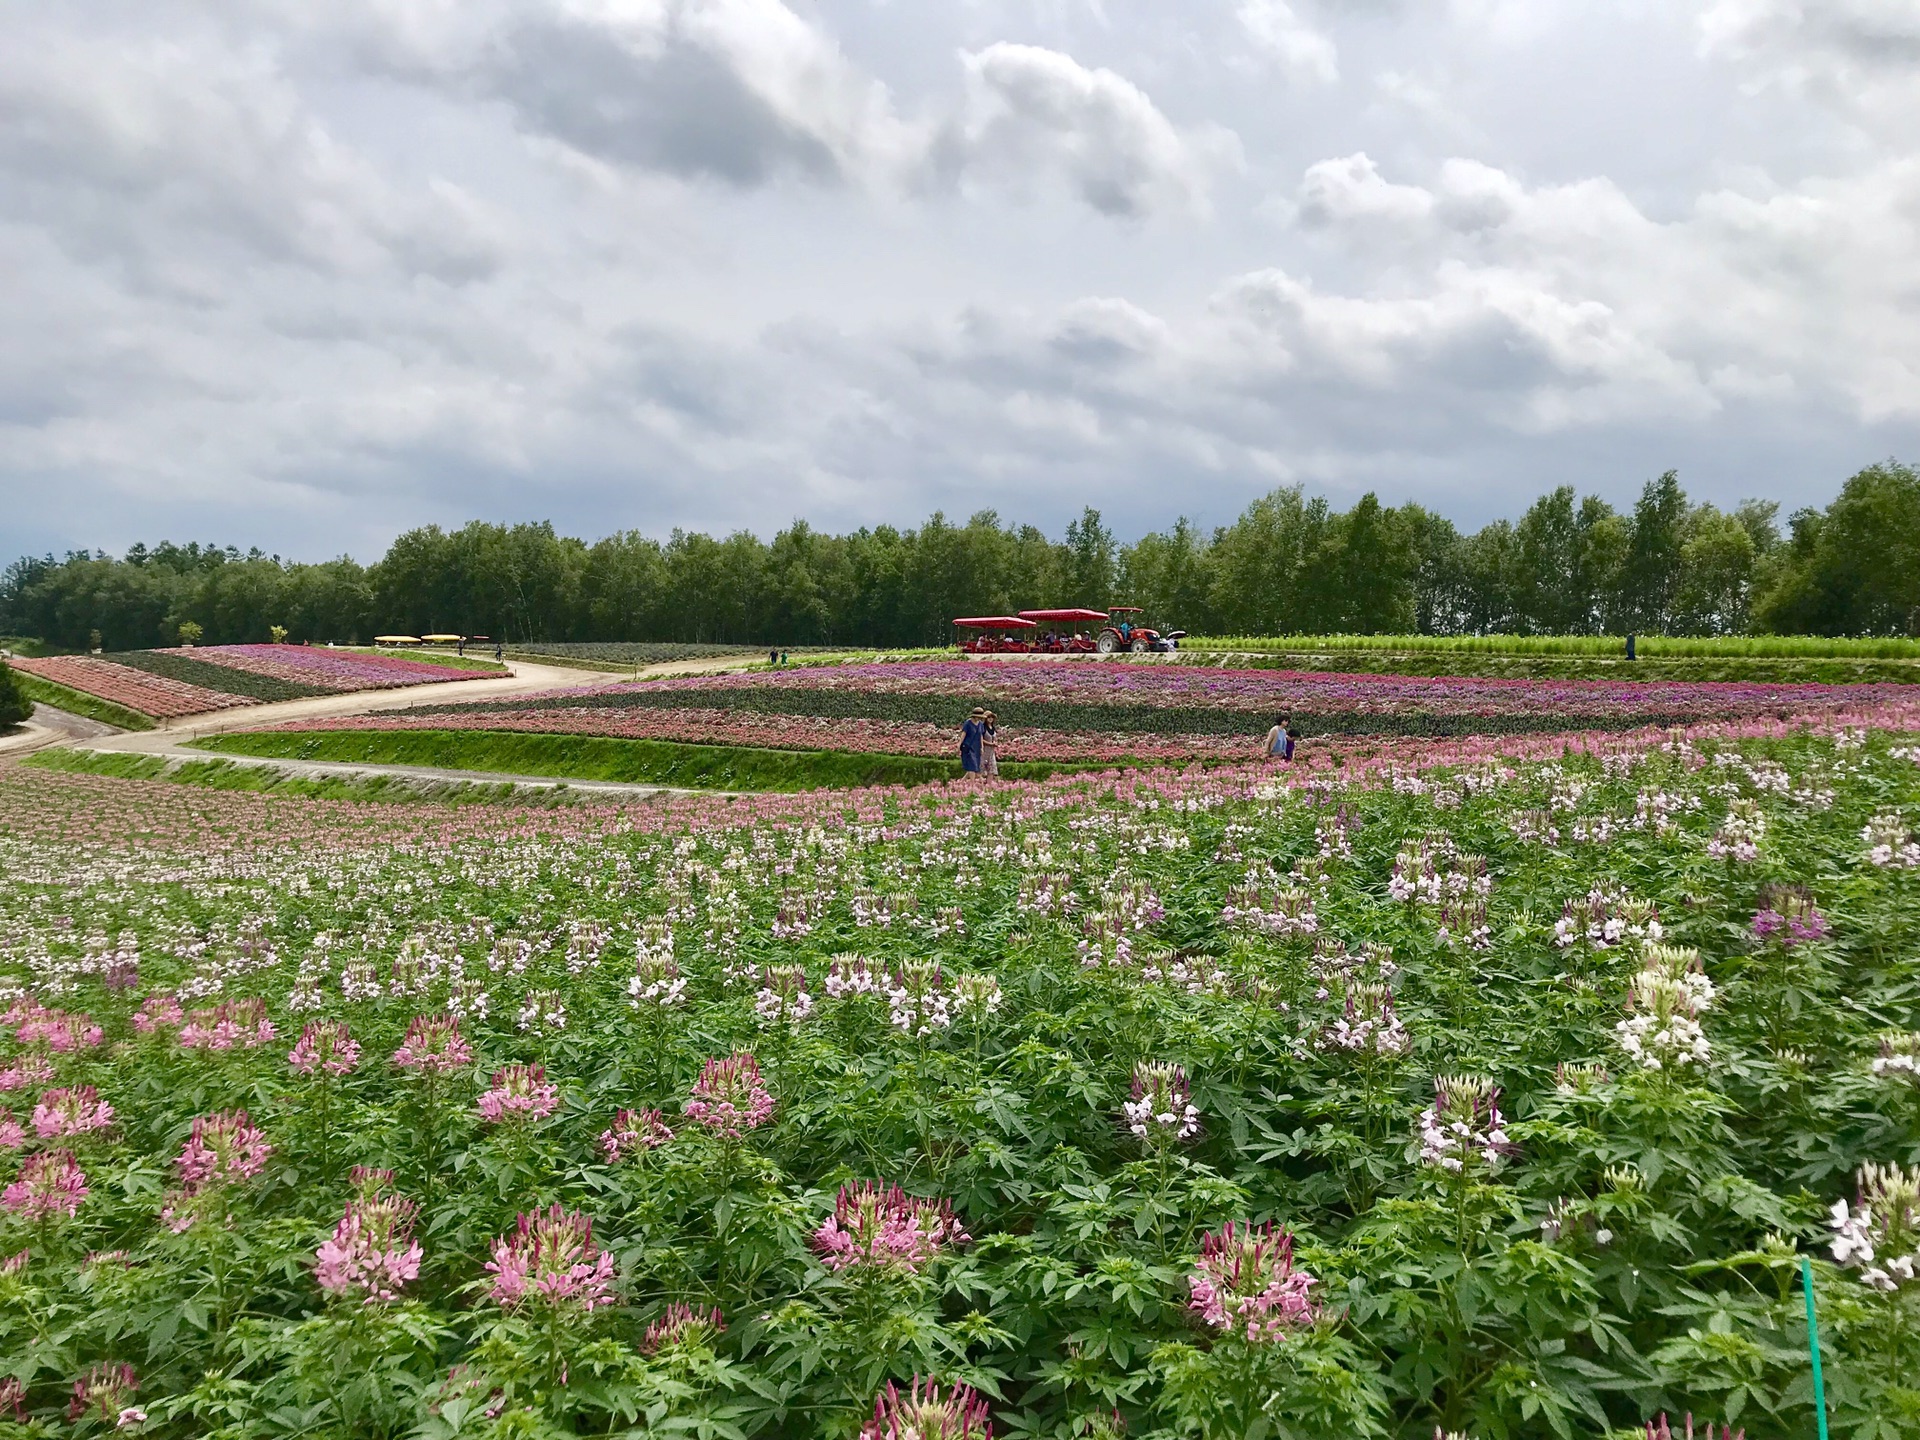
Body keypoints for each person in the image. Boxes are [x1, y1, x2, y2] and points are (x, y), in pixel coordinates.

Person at [960, 707, 985, 776]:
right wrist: (959, 744)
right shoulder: (968, 723)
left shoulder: (980, 724)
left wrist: (982, 747)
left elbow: (981, 736)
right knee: (972, 765)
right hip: (968, 746)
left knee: (975, 765)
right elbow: (963, 734)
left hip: (976, 746)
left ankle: (962, 782)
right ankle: (972, 784)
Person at [980, 710, 1000, 777]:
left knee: (992, 767)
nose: (990, 719)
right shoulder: (982, 727)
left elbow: (994, 737)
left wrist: (995, 742)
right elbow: (981, 739)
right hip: (984, 749)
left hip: (991, 750)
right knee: (982, 767)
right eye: (989, 717)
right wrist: (990, 743)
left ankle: (989, 784)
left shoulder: (993, 728)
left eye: (992, 717)